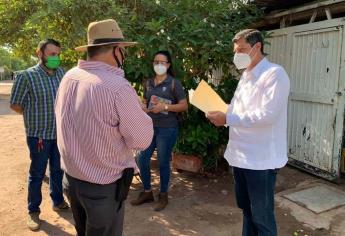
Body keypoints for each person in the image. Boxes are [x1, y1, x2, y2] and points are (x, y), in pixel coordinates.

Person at [55, 19, 154, 236]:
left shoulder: (69, 77)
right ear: (117, 50)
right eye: (123, 50)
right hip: (102, 188)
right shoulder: (117, 87)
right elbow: (141, 140)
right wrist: (140, 113)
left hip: (71, 179)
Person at [207, 29, 290, 236]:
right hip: (240, 157)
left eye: (242, 49)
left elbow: (267, 115)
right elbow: (238, 109)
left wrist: (227, 118)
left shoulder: (274, 74)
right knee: (247, 211)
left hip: (260, 161)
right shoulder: (246, 76)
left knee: (262, 217)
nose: (238, 55)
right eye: (236, 51)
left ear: (257, 47)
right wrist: (219, 109)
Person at [10, 39, 69, 231]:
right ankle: (33, 211)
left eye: (58, 54)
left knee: (57, 170)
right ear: (40, 53)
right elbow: (15, 104)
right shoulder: (26, 76)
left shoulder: (61, 73)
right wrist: (34, 117)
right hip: (39, 136)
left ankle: (58, 200)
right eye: (52, 54)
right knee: (37, 174)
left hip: (59, 134)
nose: (55, 58)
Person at [130, 50, 188, 211]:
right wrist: (143, 106)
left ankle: (163, 195)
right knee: (142, 159)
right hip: (149, 127)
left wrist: (165, 107)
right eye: (156, 62)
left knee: (163, 162)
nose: (159, 65)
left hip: (167, 129)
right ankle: (147, 192)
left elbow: (184, 105)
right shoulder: (148, 83)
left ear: (168, 65)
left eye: (162, 62)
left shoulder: (174, 83)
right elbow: (146, 101)